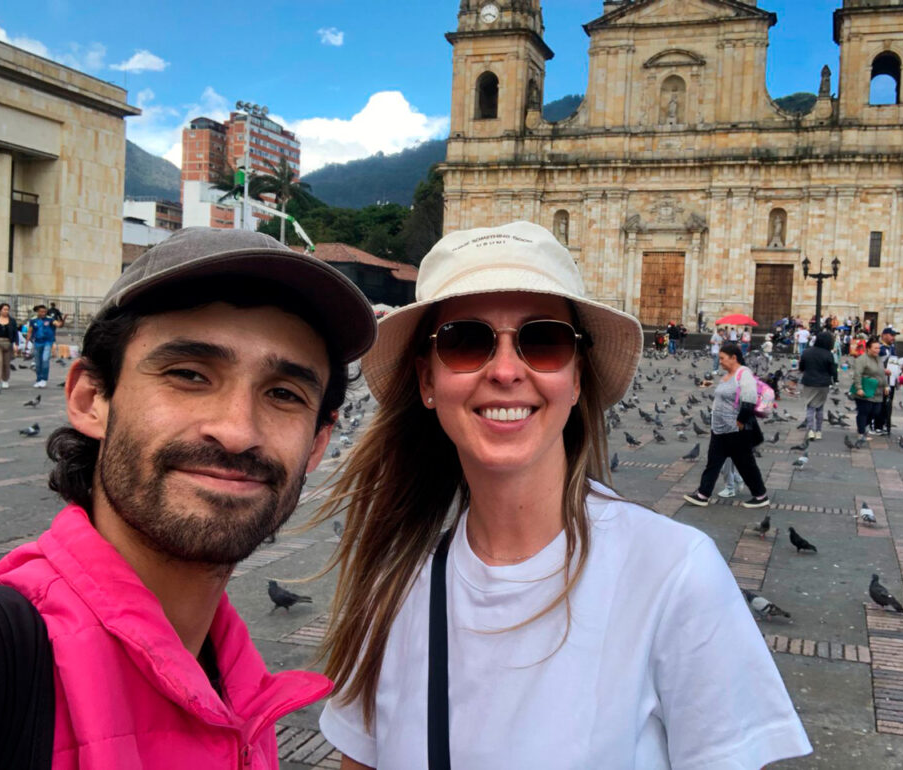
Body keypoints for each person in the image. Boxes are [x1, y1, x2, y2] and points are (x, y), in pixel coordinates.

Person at [313, 222, 811, 769]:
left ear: (576, 378)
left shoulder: (675, 577)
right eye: (464, 341)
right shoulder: (392, 589)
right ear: (427, 381)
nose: (506, 371)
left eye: (544, 340)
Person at [0, 228, 379, 768]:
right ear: (91, 399)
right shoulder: (10, 657)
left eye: (283, 394)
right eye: (189, 374)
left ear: (318, 442)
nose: (237, 431)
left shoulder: (240, 681)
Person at [684, 342, 771, 509]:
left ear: (733, 358)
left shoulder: (744, 374)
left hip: (736, 431)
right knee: (713, 462)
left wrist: (740, 422)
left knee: (746, 464)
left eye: (723, 358)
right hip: (720, 429)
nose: (720, 361)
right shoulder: (727, 375)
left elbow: (750, 399)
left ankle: (761, 496)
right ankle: (703, 495)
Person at [799, 331, 838, 441]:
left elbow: (801, 367)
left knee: (810, 407)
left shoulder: (807, 352)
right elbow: (833, 371)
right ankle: (819, 431)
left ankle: (810, 430)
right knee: (820, 407)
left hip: (809, 382)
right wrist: (835, 380)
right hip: (823, 384)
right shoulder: (828, 354)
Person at [852, 337, 889, 442]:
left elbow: (881, 373)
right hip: (866, 390)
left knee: (875, 411)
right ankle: (861, 432)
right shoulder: (862, 360)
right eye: (875, 348)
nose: (878, 350)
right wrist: (859, 388)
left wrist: (886, 385)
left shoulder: (879, 359)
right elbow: (857, 375)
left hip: (877, 391)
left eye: (878, 348)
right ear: (868, 348)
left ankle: (864, 428)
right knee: (864, 411)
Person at [25, 304, 63, 388]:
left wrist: (61, 322)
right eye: (41, 312)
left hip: (47, 342)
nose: (43, 313)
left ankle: (44, 379)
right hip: (37, 342)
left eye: (45, 312)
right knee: (38, 362)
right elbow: (30, 332)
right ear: (37, 312)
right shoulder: (33, 320)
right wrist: (27, 343)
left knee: (45, 359)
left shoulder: (50, 319)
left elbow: (57, 324)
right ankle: (39, 379)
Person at [872, 327, 899, 435]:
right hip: (881, 381)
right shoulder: (880, 348)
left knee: (888, 404)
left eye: (894, 336)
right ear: (884, 335)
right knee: (880, 403)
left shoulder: (892, 348)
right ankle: (877, 426)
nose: (893, 338)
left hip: (891, 381)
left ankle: (885, 424)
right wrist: (883, 370)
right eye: (891, 335)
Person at [0, 302, 19, 390]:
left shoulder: (12, 321)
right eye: (4, 309)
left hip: (8, 342)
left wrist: (16, 344)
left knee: (6, 363)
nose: (6, 311)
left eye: (7, 310)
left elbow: (15, 333)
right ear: (0, 310)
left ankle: (5, 379)